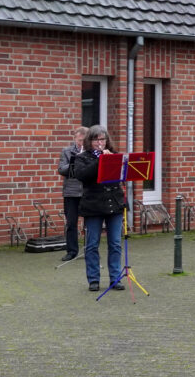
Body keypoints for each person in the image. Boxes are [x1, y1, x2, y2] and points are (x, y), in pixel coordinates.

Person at [71, 125, 124, 292]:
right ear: (90, 141)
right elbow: (83, 175)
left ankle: (115, 278)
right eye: (96, 140)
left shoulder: (114, 155)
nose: (100, 143)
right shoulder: (82, 158)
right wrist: (100, 161)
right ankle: (93, 279)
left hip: (113, 203)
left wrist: (111, 161)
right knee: (92, 244)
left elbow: (120, 176)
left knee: (115, 243)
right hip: (93, 205)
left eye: (103, 139)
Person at [56, 126, 87, 261]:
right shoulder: (67, 151)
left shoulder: (91, 152)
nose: (81, 144)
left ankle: (90, 250)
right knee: (71, 223)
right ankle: (72, 251)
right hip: (71, 192)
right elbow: (61, 169)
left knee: (90, 223)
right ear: (75, 138)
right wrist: (75, 163)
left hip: (87, 191)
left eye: (84, 141)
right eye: (80, 141)